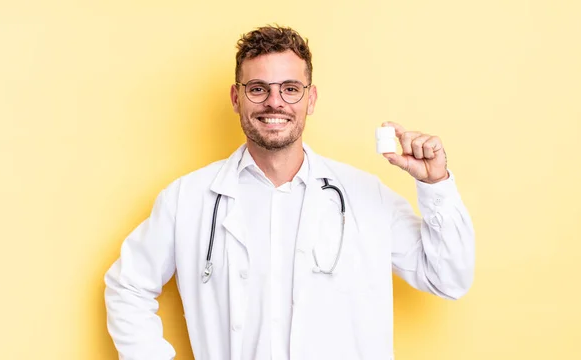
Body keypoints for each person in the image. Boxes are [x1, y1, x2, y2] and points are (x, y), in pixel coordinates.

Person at [104, 25, 475, 360]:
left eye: (290, 89)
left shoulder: (366, 196)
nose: (274, 102)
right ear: (236, 98)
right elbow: (127, 287)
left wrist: (436, 184)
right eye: (258, 88)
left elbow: (449, 278)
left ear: (310, 99)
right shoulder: (187, 199)